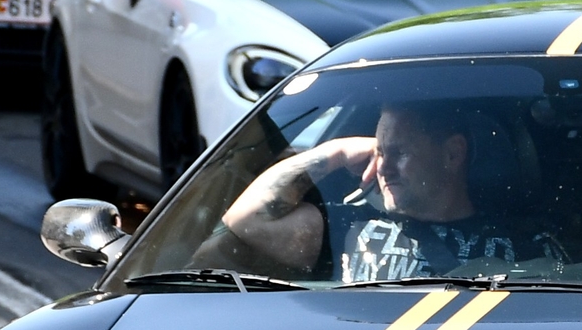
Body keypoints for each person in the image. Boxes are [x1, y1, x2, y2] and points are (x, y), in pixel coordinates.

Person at [219, 104, 558, 282]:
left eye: (400, 152)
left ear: (453, 154)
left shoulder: (528, 242)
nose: (383, 167)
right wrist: (336, 152)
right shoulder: (346, 229)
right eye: (380, 153)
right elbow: (245, 217)